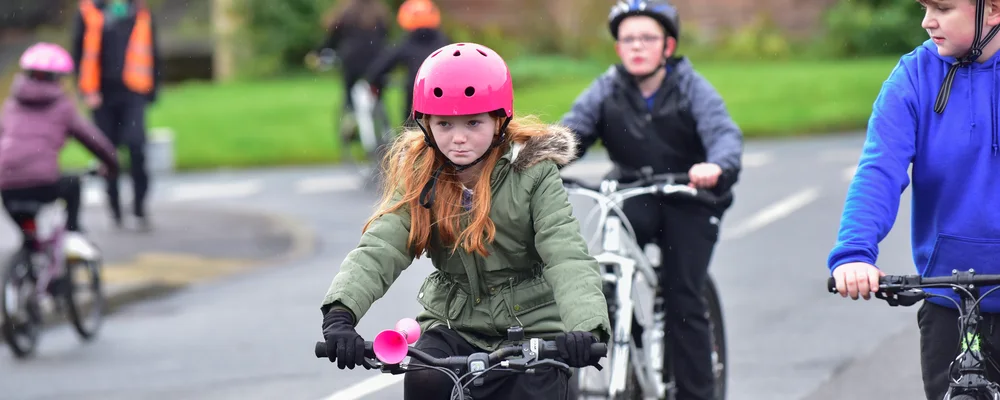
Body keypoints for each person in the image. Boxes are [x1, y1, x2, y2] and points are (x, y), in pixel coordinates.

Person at [319, 42, 611, 400]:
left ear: (499, 120)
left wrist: (587, 329)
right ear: (425, 124)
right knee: (425, 380)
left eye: (473, 122)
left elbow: (565, 254)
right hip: (453, 325)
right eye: (444, 123)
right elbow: (381, 245)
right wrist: (340, 313)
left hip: (534, 326)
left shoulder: (535, 172)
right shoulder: (419, 173)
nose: (458, 138)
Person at [558, 1, 743, 399]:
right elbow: (572, 131)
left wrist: (716, 165)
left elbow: (724, 134)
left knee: (682, 295)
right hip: (634, 194)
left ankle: (697, 393)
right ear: (618, 47)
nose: (637, 46)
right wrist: (541, 158)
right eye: (628, 39)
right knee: (599, 268)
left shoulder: (691, 86)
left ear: (668, 46)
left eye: (647, 38)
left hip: (689, 197)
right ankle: (622, 320)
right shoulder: (607, 88)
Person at [827, 0, 1000, 399]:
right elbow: (879, 170)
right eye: (924, 6)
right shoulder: (914, 75)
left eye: (942, 7)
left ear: (992, 10)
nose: (927, 21)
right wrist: (854, 252)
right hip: (953, 303)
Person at [0, 42, 120, 236]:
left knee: (30, 240)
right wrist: (112, 164)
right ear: (57, 78)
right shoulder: (62, 107)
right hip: (43, 184)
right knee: (73, 185)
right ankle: (72, 232)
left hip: (6, 187)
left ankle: (29, 251)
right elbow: (93, 140)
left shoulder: (11, 106)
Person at [70, 0, 161, 230]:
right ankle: (115, 208)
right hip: (101, 96)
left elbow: (153, 49)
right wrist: (86, 91)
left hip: (133, 92)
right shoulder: (89, 11)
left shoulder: (139, 10)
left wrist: (153, 90)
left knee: (136, 146)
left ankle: (140, 206)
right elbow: (79, 53)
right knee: (107, 154)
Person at [312, 0, 391, 139]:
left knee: (349, 89)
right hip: (378, 62)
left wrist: (318, 53)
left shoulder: (346, 12)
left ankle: (352, 116)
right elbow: (384, 36)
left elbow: (332, 38)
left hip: (353, 62)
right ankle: (384, 126)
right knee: (377, 93)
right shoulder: (380, 13)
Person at [365, 0, 451, 125]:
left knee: (411, 129)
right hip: (446, 93)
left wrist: (373, 81)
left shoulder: (407, 43)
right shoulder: (444, 40)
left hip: (416, 96)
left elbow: (384, 63)